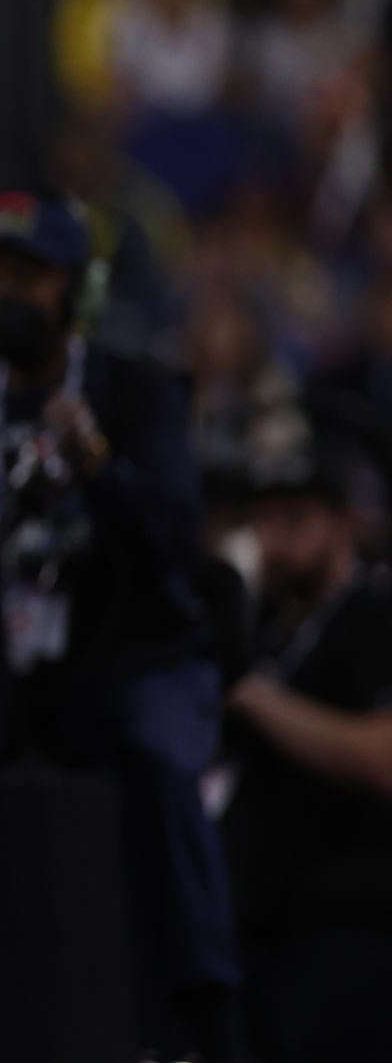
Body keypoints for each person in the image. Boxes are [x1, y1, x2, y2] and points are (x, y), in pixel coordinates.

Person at [0, 188, 242, 1059]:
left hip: (135, 655)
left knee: (156, 756)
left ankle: (205, 1014)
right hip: (12, 669)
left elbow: (173, 542)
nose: (7, 294)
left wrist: (97, 464)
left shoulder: (136, 389)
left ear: (77, 290)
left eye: (30, 276)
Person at [223, 438, 392, 1063]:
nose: (273, 540)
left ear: (346, 522)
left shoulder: (376, 616)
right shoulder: (264, 627)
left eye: (295, 520)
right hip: (263, 919)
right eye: (262, 521)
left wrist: (254, 698)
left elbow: (382, 759)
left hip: (352, 925)